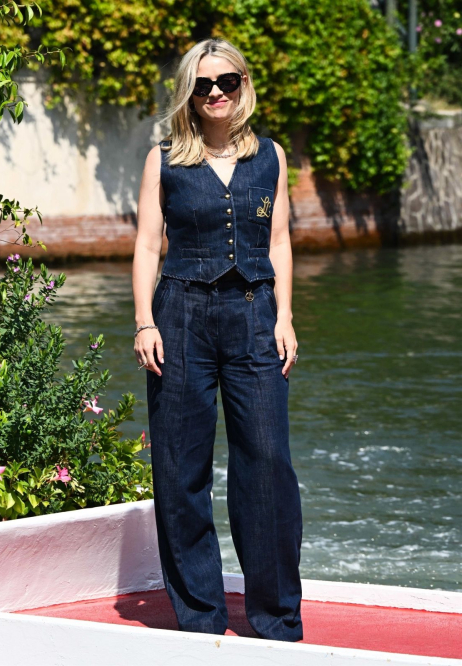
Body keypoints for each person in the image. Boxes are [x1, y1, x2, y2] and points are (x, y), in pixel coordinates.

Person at [132, 37, 303, 642]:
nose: (215, 94)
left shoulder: (271, 157)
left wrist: (285, 317)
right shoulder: (164, 159)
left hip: (257, 317)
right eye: (203, 85)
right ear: (189, 92)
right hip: (179, 317)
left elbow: (279, 242)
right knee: (181, 469)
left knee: (268, 465)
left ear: (243, 85)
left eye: (225, 82)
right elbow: (149, 246)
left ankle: (276, 618)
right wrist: (144, 322)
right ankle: (199, 616)